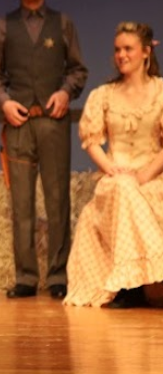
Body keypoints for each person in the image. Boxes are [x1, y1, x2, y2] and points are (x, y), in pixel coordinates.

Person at [0, 0, 88, 300]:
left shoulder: (63, 24)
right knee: (22, 203)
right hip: (20, 123)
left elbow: (77, 70)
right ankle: (26, 277)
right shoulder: (3, 26)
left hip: (52, 122)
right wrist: (5, 102)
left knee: (58, 199)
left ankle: (58, 275)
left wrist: (65, 92)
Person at [64, 21, 163, 308]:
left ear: (146, 52)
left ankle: (139, 281)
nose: (121, 55)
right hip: (115, 178)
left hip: (152, 177)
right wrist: (109, 167)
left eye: (128, 49)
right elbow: (92, 140)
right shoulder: (104, 95)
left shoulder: (160, 92)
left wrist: (145, 174)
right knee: (121, 188)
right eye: (118, 50)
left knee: (130, 190)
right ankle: (128, 283)